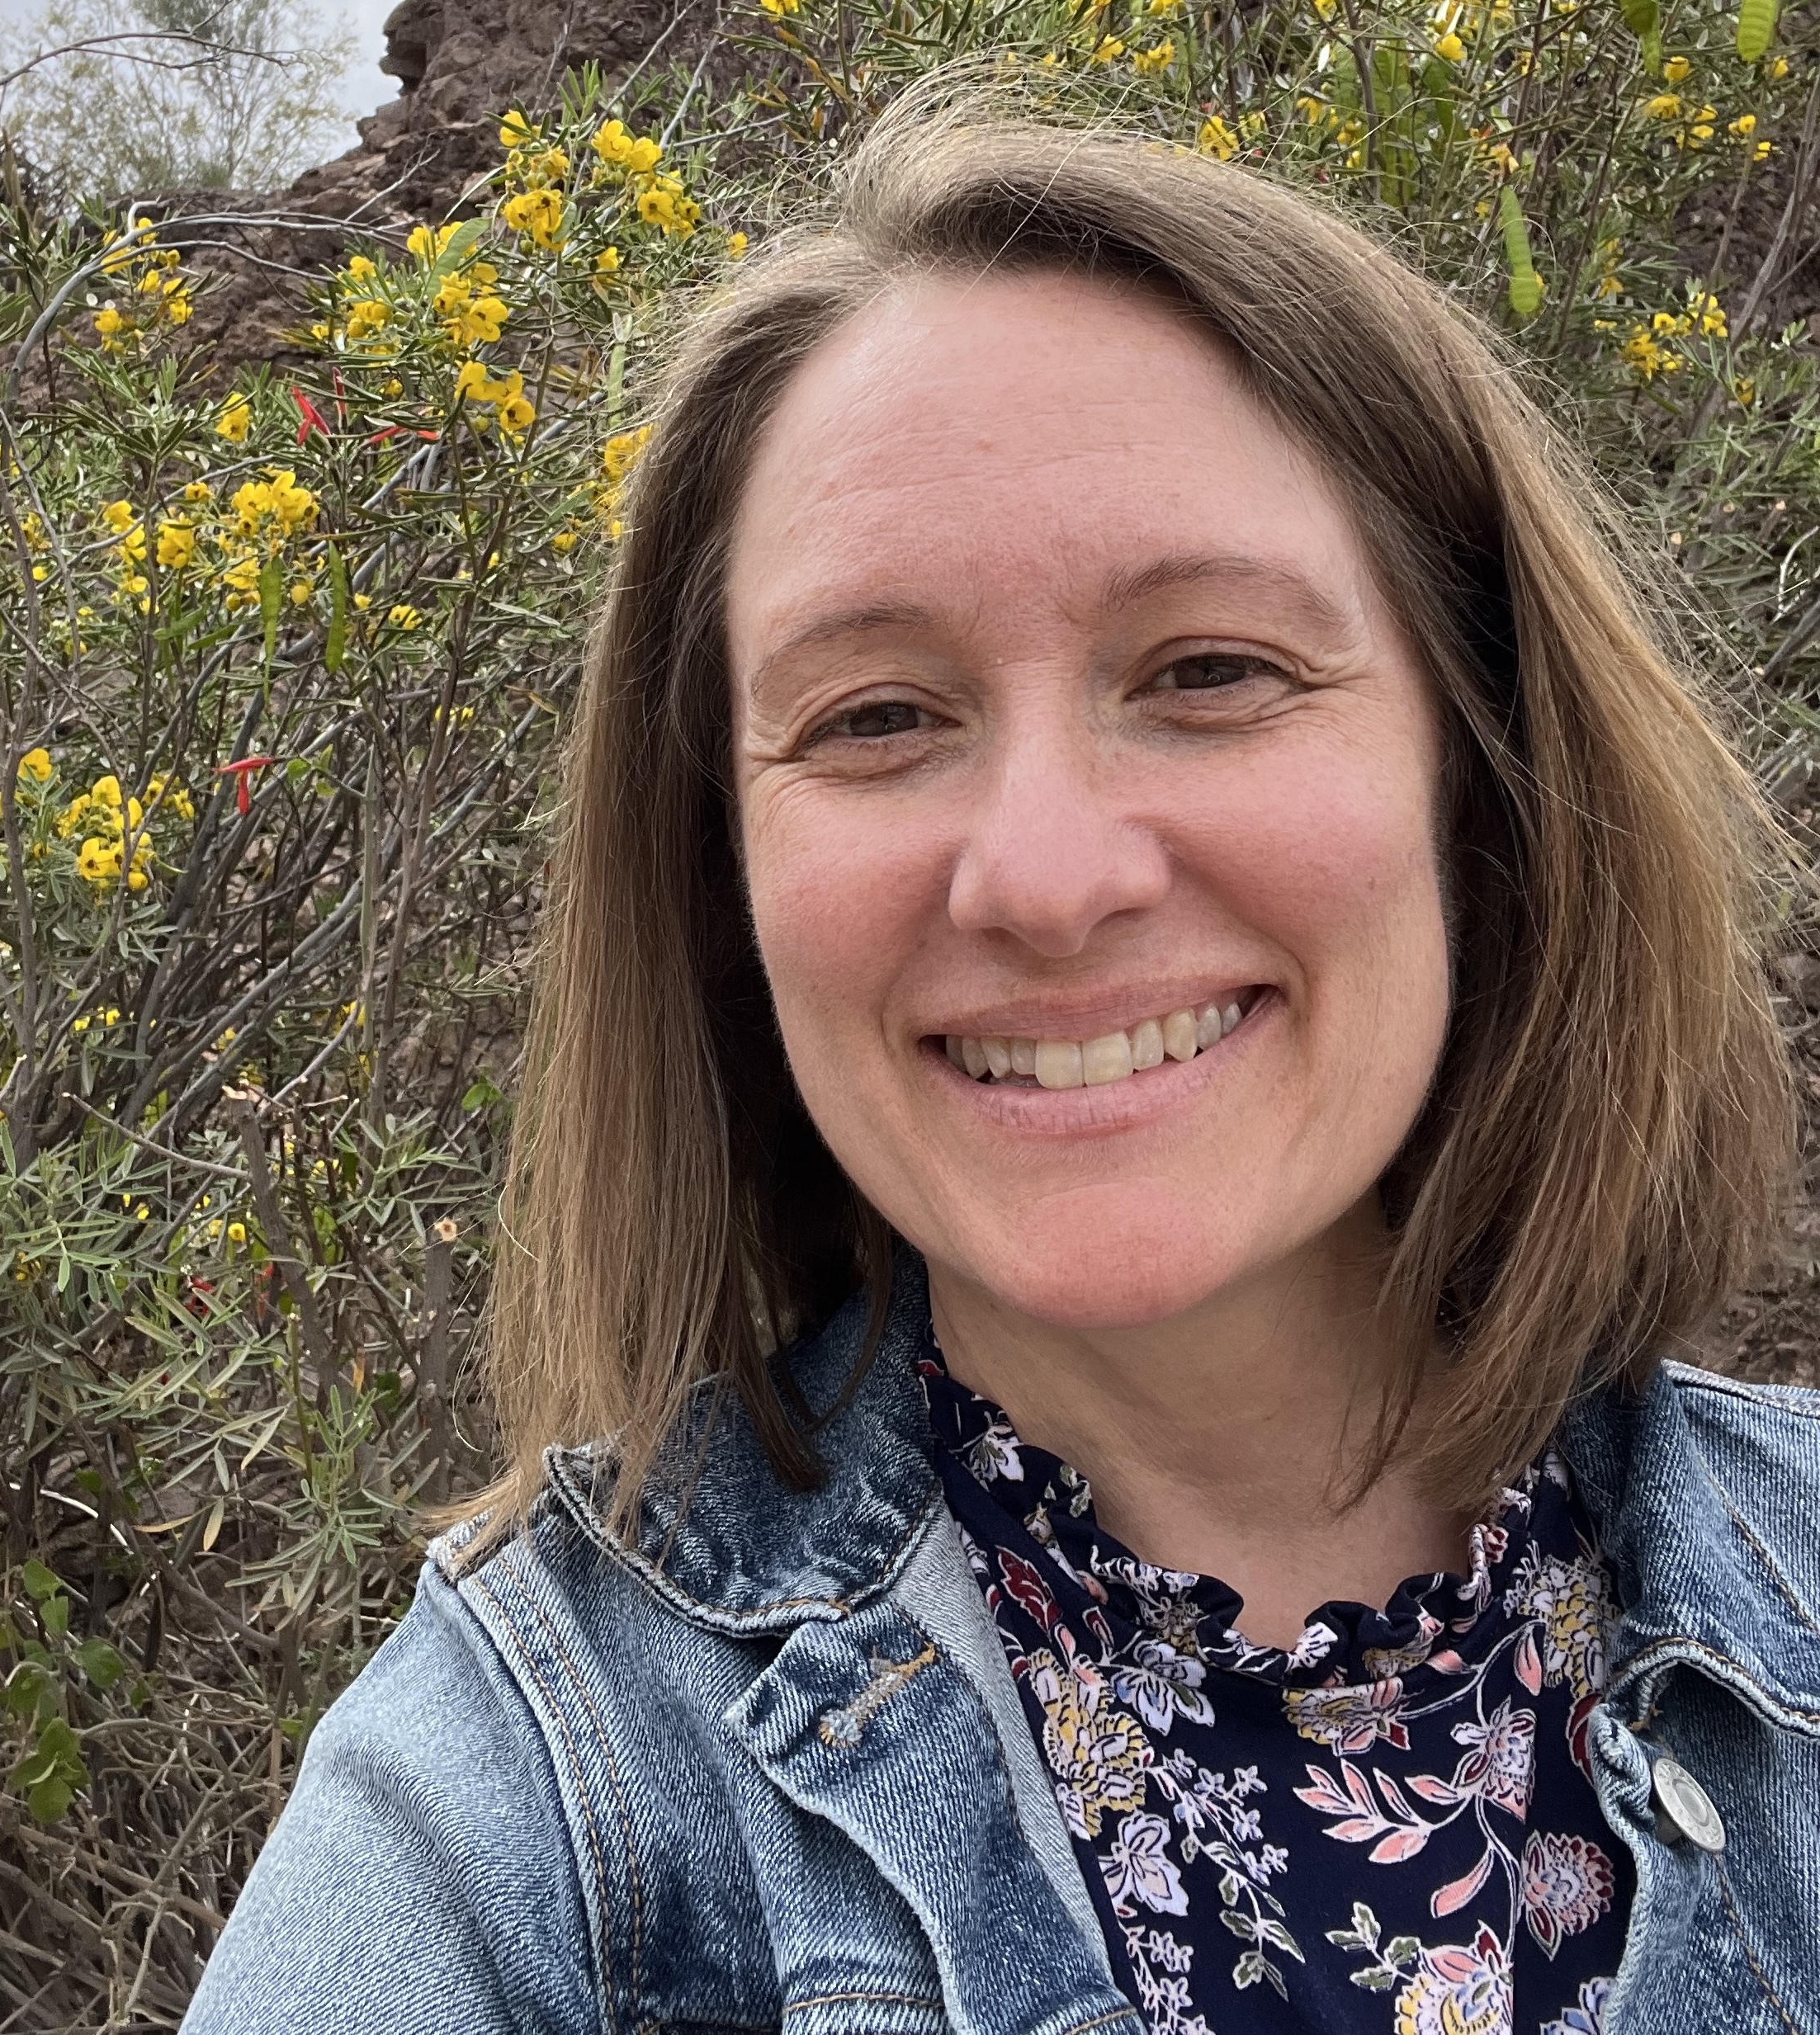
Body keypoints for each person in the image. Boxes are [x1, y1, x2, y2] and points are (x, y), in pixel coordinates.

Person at [180, 92, 1820, 2035]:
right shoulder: (535, 1791)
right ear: (726, 877)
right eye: (875, 717)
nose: (1043, 880)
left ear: (1481, 772)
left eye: (1208, 671)